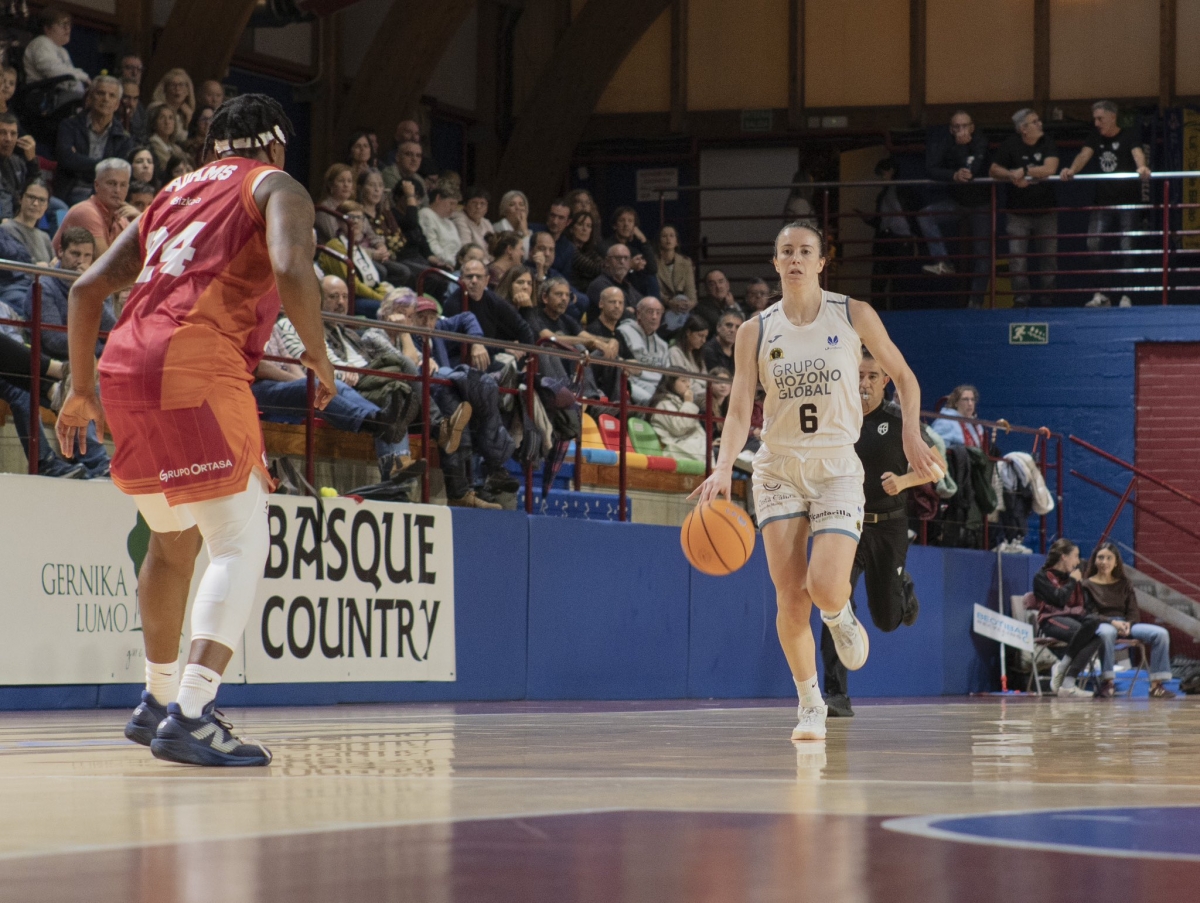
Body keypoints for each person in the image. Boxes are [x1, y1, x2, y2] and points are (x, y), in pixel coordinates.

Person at [55, 93, 339, 767]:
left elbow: (83, 288)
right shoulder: (274, 184)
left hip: (122, 366)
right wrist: (321, 354)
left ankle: (155, 698)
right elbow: (294, 266)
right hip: (196, 366)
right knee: (242, 536)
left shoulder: (171, 194)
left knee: (172, 537)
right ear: (272, 144)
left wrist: (77, 389)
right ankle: (192, 710)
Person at [692, 221, 941, 742]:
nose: (796, 259)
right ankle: (811, 702)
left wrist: (913, 435)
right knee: (790, 596)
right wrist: (721, 465)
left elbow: (905, 376)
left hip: (835, 465)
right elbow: (740, 410)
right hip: (778, 466)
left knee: (826, 586)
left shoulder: (852, 314)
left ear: (822, 261)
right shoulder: (754, 330)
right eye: (787, 252)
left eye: (806, 251)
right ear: (775, 261)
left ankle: (841, 616)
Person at [819, 349, 936, 717]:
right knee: (833, 604)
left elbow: (937, 468)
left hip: (888, 526)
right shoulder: (837, 419)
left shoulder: (902, 420)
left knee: (886, 620)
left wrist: (903, 481)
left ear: (886, 381)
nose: (863, 383)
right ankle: (836, 695)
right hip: (846, 525)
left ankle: (903, 591)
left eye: (872, 376)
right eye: (858, 375)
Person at [1061, 101, 1151, 308]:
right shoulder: (1095, 137)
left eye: (1100, 118)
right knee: (1093, 244)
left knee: (1127, 247)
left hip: (1128, 201)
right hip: (1103, 202)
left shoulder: (1129, 135)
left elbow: (1138, 153)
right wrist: (1072, 170)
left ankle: (1127, 296)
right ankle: (1100, 294)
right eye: (1095, 119)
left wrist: (1142, 167)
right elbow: (1084, 154)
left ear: (1113, 117)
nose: (1096, 123)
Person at [1084, 542, 1176, 699]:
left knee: (1161, 633)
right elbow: (1089, 613)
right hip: (1103, 624)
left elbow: (1133, 611)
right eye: (1100, 557)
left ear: (1116, 562)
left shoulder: (1124, 583)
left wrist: (1129, 624)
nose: (1104, 562)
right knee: (1106, 634)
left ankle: (1156, 686)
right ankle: (1108, 682)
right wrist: (1112, 622)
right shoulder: (1087, 584)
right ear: (1095, 560)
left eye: (1108, 558)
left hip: (1126, 624)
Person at [920, 110, 992, 307]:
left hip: (980, 205)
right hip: (957, 203)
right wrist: (952, 175)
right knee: (926, 216)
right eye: (957, 127)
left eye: (965, 126)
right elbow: (932, 167)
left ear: (972, 127)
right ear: (951, 129)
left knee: (982, 253)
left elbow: (973, 170)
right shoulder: (946, 142)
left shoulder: (980, 141)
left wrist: (963, 149)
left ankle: (975, 302)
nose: (961, 131)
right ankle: (943, 262)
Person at [990, 109, 1060, 308]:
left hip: (1046, 212)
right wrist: (1011, 175)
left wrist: (1026, 171)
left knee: (1048, 259)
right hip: (1017, 213)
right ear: (1023, 129)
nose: (1040, 124)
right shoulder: (1010, 144)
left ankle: (1049, 299)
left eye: (1039, 120)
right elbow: (994, 169)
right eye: (1034, 122)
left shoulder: (1048, 142)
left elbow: (1050, 168)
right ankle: (1021, 299)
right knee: (1017, 260)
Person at [1032, 539, 1103, 698]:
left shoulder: (1074, 577)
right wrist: (1072, 581)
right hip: (1051, 619)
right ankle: (1065, 675)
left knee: (1097, 634)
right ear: (1064, 557)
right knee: (1082, 633)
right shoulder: (1042, 576)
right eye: (1075, 556)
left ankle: (1066, 676)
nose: (1078, 561)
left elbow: (1084, 607)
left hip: (1073, 619)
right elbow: (1059, 600)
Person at [55, 76, 135, 205]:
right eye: (100, 93)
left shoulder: (124, 138)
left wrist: (79, 160)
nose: (105, 99)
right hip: (70, 192)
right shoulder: (69, 126)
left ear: (117, 105)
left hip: (104, 197)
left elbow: (117, 173)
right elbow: (67, 159)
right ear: (90, 98)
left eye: (112, 95)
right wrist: (105, 166)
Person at [858, 158, 920, 310]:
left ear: (891, 170)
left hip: (898, 239)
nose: (882, 177)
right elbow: (883, 219)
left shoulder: (902, 190)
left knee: (897, 281)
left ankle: (892, 313)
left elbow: (910, 215)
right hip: (888, 238)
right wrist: (869, 220)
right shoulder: (888, 193)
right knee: (881, 280)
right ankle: (882, 313)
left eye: (883, 173)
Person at [53, 156, 137, 256]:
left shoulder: (122, 220)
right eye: (111, 183)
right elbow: (105, 263)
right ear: (97, 185)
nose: (117, 190)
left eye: (123, 185)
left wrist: (140, 221)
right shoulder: (86, 212)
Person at [23, 7, 89, 111]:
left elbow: (69, 72)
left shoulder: (62, 50)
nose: (68, 29)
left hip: (61, 93)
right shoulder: (41, 42)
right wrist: (84, 78)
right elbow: (54, 71)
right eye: (62, 25)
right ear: (47, 28)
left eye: (69, 25)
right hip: (44, 98)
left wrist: (86, 79)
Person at [617, 295, 669, 405]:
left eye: (658, 313)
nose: (654, 317)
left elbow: (667, 374)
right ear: (639, 313)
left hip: (657, 387)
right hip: (632, 383)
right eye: (650, 312)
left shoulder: (663, 345)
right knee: (653, 402)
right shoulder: (624, 332)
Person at [586, 285, 634, 400]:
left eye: (620, 303)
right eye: (612, 302)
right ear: (601, 304)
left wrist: (625, 364)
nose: (617, 306)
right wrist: (623, 364)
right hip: (602, 388)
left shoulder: (618, 334)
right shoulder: (593, 330)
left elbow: (635, 365)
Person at [606, 206, 659, 298]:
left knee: (651, 277)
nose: (626, 224)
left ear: (634, 227)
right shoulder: (606, 246)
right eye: (622, 220)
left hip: (632, 289)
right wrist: (630, 266)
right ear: (615, 225)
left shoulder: (633, 250)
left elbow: (652, 269)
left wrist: (643, 240)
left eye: (630, 221)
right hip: (613, 287)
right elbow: (610, 271)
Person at [587, 243, 643, 321]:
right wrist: (634, 310)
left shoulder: (627, 285)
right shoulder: (598, 285)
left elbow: (644, 306)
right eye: (618, 258)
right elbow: (620, 314)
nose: (622, 262)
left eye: (626, 258)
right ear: (607, 261)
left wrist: (633, 309)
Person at [2, 180, 54, 263]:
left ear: (47, 205)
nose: (36, 203)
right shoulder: (5, 230)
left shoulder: (45, 238)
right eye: (31, 197)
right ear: (20, 199)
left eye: (42, 200)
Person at [0, 113, 36, 220]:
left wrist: (32, 162)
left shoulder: (17, 162)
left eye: (13, 134)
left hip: (17, 211)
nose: (8, 139)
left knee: (57, 207)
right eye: (2, 133)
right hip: (5, 218)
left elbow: (36, 188)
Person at [418, 186, 462, 269]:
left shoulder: (449, 222)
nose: (453, 208)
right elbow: (432, 247)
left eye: (456, 204)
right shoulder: (426, 214)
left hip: (456, 264)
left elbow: (458, 247)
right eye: (451, 203)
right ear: (438, 198)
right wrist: (452, 263)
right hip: (441, 265)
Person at [668, 315, 709, 401]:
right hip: (689, 395)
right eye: (700, 336)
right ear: (688, 332)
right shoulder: (675, 352)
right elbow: (683, 381)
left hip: (703, 393)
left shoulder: (698, 355)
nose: (703, 341)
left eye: (705, 337)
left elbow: (706, 379)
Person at [149, 67, 195, 142]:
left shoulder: (184, 112)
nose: (177, 89)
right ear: (165, 89)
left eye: (181, 85)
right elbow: (179, 138)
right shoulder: (157, 107)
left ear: (187, 91)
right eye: (173, 85)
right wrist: (190, 118)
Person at [145, 102, 189, 180]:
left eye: (170, 118)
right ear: (154, 123)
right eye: (162, 118)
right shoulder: (151, 146)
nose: (167, 122)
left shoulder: (176, 148)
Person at [656, 224, 696, 306]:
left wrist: (686, 305)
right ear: (659, 241)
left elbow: (691, 294)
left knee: (682, 299)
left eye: (671, 236)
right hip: (662, 305)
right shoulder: (654, 262)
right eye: (664, 236)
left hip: (683, 307)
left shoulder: (686, 262)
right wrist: (670, 303)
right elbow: (655, 291)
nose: (668, 239)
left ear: (677, 241)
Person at [315, 162, 355, 244]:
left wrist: (379, 245)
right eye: (341, 181)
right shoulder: (324, 209)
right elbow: (335, 238)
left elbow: (368, 232)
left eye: (349, 181)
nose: (346, 185)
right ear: (330, 185)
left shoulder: (354, 207)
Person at [565, 211, 603, 295]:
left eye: (588, 226)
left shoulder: (589, 250)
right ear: (571, 229)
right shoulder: (568, 247)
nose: (585, 229)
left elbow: (601, 265)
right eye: (580, 224)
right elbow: (595, 268)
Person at [451, 186, 494, 251]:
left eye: (482, 204)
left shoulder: (486, 222)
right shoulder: (459, 219)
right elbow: (466, 248)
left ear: (486, 209)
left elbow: (493, 248)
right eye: (474, 203)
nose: (478, 207)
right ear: (465, 205)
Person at [493, 189, 531, 256]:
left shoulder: (529, 231)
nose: (518, 208)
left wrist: (525, 231)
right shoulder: (498, 228)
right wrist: (525, 232)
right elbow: (523, 256)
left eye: (521, 204)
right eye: (512, 205)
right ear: (505, 209)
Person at [703, 309, 741, 375]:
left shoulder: (740, 351)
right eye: (729, 325)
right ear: (718, 327)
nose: (733, 330)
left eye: (737, 327)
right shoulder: (708, 350)